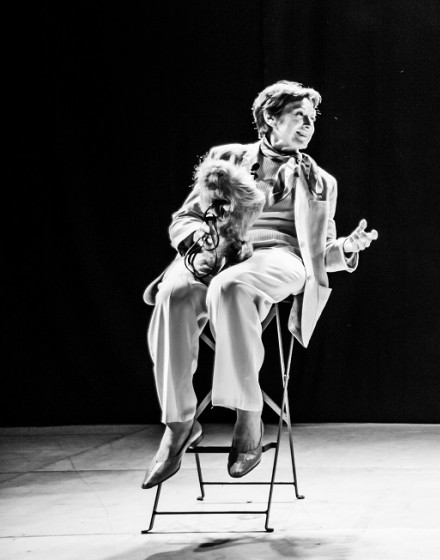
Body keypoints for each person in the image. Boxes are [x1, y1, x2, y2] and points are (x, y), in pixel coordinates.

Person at [141, 80, 378, 489]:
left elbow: (320, 253)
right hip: (222, 251)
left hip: (280, 258)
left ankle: (248, 415)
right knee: (173, 293)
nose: (308, 125)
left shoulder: (321, 182)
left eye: (312, 118)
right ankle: (178, 423)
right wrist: (198, 244)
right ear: (270, 117)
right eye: (299, 116)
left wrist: (347, 248)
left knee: (231, 287)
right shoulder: (226, 159)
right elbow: (186, 218)